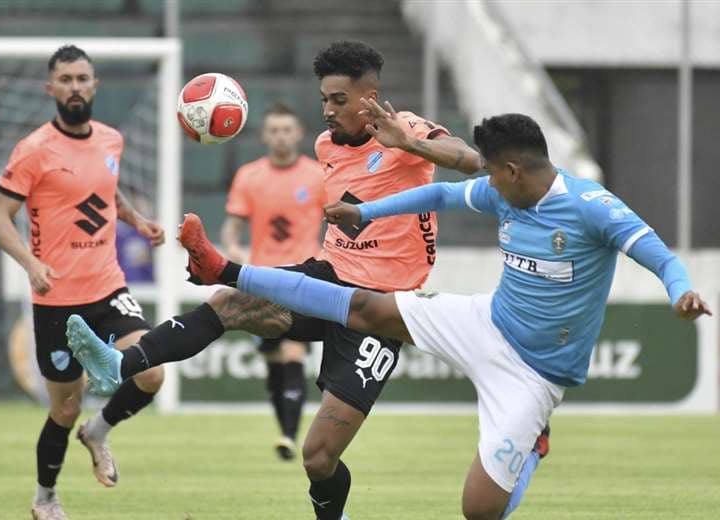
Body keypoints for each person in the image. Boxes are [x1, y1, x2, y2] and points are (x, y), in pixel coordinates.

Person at [161, 112, 709, 519]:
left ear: (514, 170)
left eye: (492, 174)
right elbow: (441, 197)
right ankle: (227, 271)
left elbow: (657, 253)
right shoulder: (504, 192)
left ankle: (531, 443)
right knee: (364, 307)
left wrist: (681, 291)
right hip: (486, 322)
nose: (487, 183)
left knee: (479, 511)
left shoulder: (592, 207)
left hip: (536, 373)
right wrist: (364, 212)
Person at [66, 40, 481, 520]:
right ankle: (119, 366)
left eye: (339, 100)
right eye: (324, 99)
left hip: (382, 310)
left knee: (319, 456)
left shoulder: (406, 128)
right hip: (328, 280)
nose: (327, 110)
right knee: (229, 302)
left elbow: (468, 159)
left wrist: (410, 144)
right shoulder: (326, 145)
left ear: (370, 97)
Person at [0, 45, 166, 520]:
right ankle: (45, 497)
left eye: (82, 78)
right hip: (57, 299)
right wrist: (30, 262)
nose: (74, 87)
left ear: (95, 85)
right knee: (65, 409)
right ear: (51, 89)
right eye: (64, 79)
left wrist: (136, 218)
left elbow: (105, 190)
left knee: (152, 372)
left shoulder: (111, 139)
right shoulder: (33, 150)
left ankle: (101, 430)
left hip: (108, 286)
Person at [221, 102, 325, 460]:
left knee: (293, 352)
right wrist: (233, 250)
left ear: (298, 134)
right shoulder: (249, 176)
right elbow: (232, 228)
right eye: (274, 130)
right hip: (262, 281)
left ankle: (289, 436)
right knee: (274, 362)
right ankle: (286, 431)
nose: (281, 136)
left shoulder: (317, 176)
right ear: (265, 135)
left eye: (287, 129)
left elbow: (340, 223)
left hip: (303, 279)